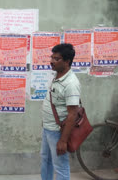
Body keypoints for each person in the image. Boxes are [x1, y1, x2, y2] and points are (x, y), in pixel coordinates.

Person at [40, 43, 80, 180]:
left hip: (58, 132)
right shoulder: (58, 76)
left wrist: (63, 140)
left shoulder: (71, 84)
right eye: (52, 57)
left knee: (60, 166)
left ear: (67, 61)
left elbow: (72, 114)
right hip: (48, 128)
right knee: (46, 160)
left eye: (56, 59)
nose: (52, 61)